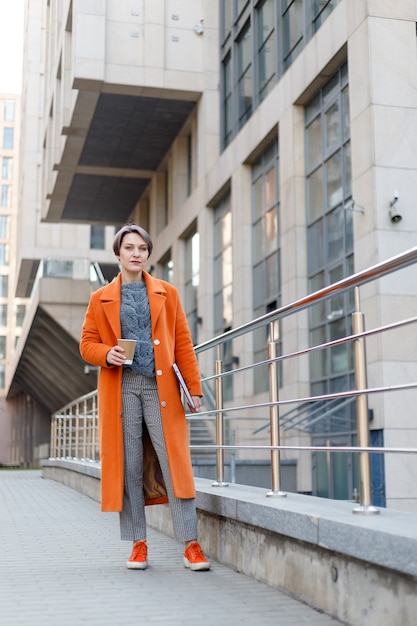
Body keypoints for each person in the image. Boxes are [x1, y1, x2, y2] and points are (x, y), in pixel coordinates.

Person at [80, 223, 210, 571]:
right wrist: (106, 354)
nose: (136, 253)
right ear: (118, 253)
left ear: (148, 254)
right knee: (132, 464)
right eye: (129, 248)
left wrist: (193, 389)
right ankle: (139, 543)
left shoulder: (167, 293)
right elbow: (87, 343)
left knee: (173, 463)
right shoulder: (100, 298)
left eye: (142, 248)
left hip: (160, 387)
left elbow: (183, 342)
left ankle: (191, 544)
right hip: (122, 389)